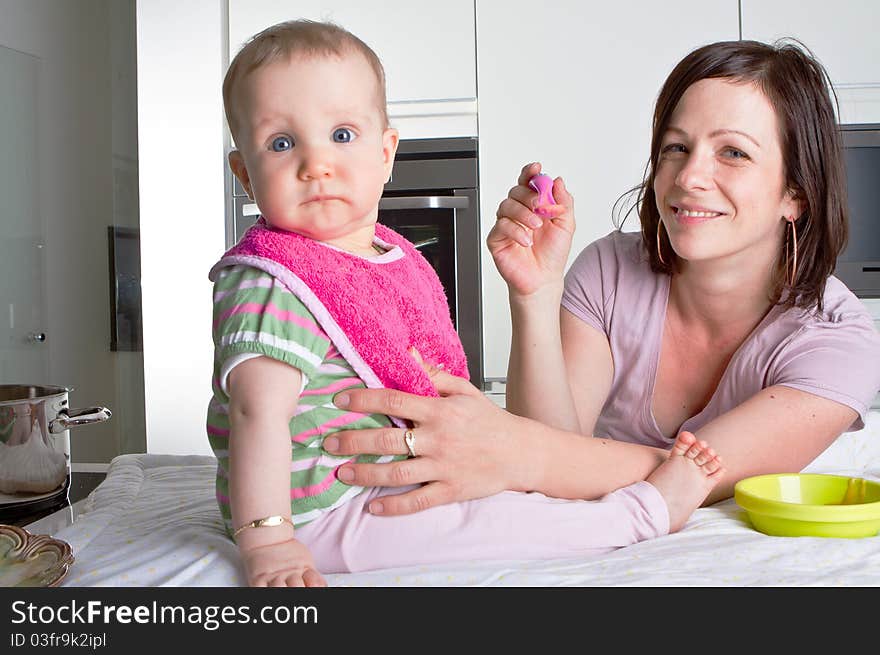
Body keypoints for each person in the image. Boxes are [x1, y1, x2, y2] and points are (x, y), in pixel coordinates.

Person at [207, 19, 726, 587]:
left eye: (342, 135)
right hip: (326, 511)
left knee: (514, 488)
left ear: (386, 154)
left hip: (386, 479)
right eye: (282, 143)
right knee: (510, 524)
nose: (316, 163)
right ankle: (642, 513)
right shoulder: (273, 281)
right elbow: (256, 414)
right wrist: (270, 540)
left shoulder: (386, 259)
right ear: (245, 175)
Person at [323, 39, 880, 518]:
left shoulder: (840, 343)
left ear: (796, 193)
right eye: (676, 147)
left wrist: (513, 447)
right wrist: (536, 293)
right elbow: (549, 456)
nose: (688, 176)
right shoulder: (611, 270)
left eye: (733, 152)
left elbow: (696, 477)